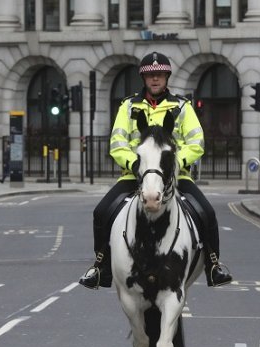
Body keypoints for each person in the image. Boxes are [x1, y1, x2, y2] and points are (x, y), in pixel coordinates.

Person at [79, 51, 233, 290]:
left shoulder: (182, 107)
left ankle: (214, 265)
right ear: (143, 79)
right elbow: (117, 143)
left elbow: (196, 143)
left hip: (175, 177)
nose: (155, 80)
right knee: (101, 212)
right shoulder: (128, 107)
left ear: (167, 77)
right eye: (150, 76)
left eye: (159, 75)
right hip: (134, 176)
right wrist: (136, 165)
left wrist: (173, 165)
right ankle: (101, 266)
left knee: (207, 213)